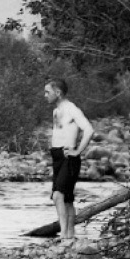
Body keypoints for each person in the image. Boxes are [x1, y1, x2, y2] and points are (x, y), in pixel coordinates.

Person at [45, 78, 94, 241]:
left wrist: (78, 150)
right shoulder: (56, 111)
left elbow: (88, 129)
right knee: (66, 198)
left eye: (47, 92)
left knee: (58, 195)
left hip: (69, 157)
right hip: (58, 156)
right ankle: (70, 234)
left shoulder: (71, 109)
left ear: (58, 93)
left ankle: (65, 235)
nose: (45, 95)